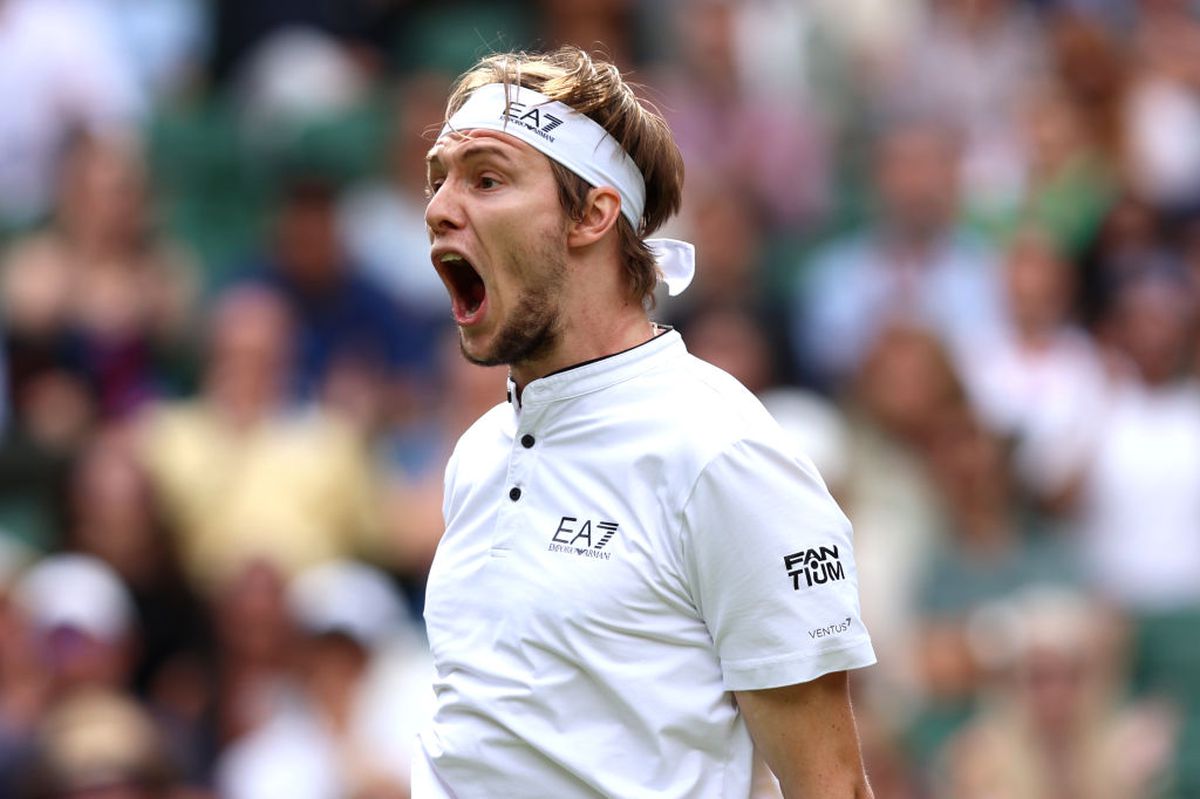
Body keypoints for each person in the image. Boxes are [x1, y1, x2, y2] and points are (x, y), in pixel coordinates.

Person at [417, 47, 876, 798]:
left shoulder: (719, 451)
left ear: (593, 214)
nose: (439, 207)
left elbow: (831, 786)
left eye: (487, 178)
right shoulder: (478, 452)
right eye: (439, 180)